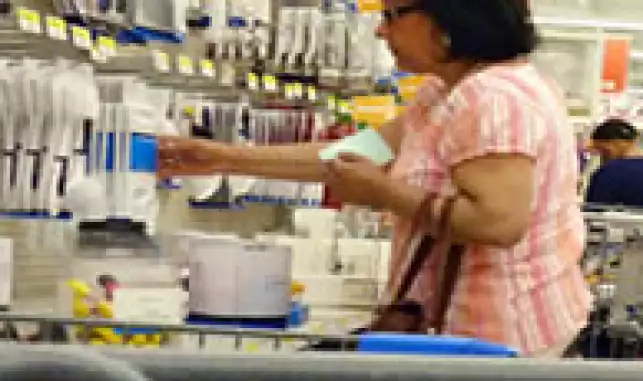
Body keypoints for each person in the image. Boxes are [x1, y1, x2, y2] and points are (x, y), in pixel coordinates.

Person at [158, 0, 590, 359]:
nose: (381, 33)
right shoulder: (445, 93)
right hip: (458, 331)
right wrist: (227, 158)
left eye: (391, 16)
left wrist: (382, 193)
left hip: (492, 337)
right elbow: (355, 157)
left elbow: (498, 223)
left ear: (447, 18)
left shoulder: (493, 97)